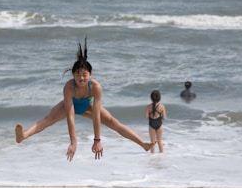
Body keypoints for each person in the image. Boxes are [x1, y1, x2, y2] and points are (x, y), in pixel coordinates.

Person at [15, 38, 153, 161]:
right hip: (69, 106)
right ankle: (24, 135)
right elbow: (70, 115)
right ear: (73, 75)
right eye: (77, 75)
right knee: (48, 119)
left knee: (113, 122)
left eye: (84, 75)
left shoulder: (96, 87)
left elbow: (96, 114)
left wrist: (97, 140)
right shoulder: (69, 87)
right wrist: (73, 142)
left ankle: (144, 144)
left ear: (90, 74)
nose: (81, 78)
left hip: (88, 106)